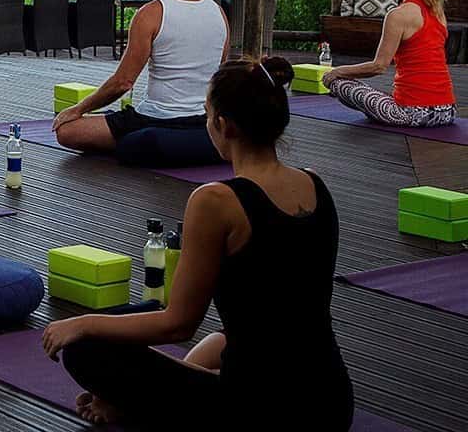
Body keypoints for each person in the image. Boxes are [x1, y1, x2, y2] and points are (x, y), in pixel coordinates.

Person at [42, 57, 353, 431]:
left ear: (222, 125)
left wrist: (85, 323)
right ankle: (145, 398)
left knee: (84, 349)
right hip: (332, 404)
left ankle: (136, 406)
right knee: (227, 339)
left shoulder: (215, 201)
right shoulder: (315, 183)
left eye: (207, 115)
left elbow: (177, 325)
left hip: (258, 411)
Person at [53, 0, 229, 152]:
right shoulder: (218, 13)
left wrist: (78, 109)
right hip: (203, 122)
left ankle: (144, 145)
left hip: (154, 119)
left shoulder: (151, 14)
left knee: (67, 130)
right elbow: (220, 73)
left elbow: (123, 83)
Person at [323, 0, 456, 127]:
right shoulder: (437, 12)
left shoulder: (398, 15)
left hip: (412, 113)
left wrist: (337, 71)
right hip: (447, 111)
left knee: (338, 83)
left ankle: (381, 111)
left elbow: (378, 67)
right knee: (375, 93)